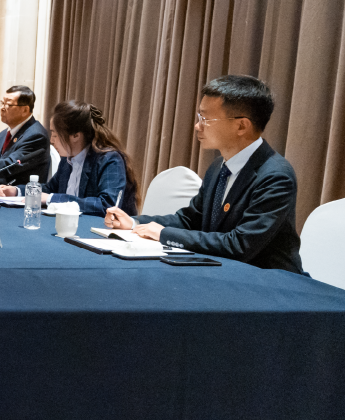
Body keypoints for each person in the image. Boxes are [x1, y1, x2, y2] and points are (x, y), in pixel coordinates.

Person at [105, 75, 302, 272]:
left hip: (268, 280)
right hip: (225, 272)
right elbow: (190, 220)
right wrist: (134, 222)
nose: (197, 126)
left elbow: (240, 245)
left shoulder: (276, 176)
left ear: (241, 126)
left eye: (206, 119)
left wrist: (164, 234)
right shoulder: (218, 167)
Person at [0, 100, 138, 215]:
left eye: (55, 134)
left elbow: (107, 205)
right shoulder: (67, 160)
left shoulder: (109, 160)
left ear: (75, 135)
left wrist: (52, 199)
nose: (51, 140)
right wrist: (18, 191)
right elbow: (50, 189)